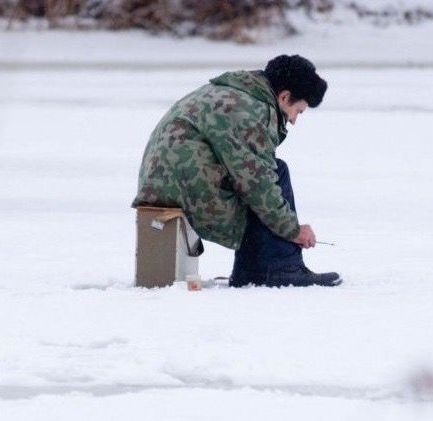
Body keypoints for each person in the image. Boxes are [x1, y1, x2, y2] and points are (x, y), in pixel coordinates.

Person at [132, 55, 341, 288]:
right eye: (298, 111)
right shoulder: (250, 112)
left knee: (269, 172)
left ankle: (252, 270)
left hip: (171, 184)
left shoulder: (237, 94)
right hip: (183, 189)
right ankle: (281, 268)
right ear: (284, 97)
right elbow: (258, 185)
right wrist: (293, 230)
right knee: (272, 177)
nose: (293, 121)